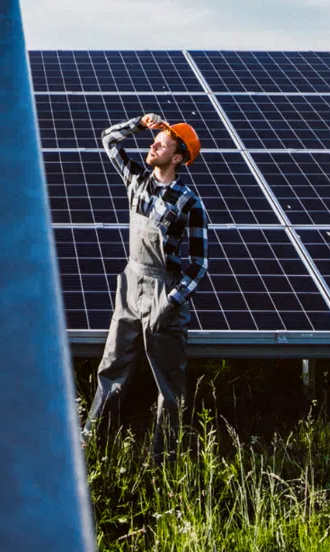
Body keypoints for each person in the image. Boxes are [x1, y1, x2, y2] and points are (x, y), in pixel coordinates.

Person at [82, 112, 207, 451]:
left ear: (177, 158)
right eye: (154, 141)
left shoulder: (190, 204)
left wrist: (171, 302)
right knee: (112, 367)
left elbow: (199, 264)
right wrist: (138, 123)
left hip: (164, 290)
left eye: (161, 144)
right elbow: (108, 138)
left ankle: (165, 458)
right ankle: (93, 445)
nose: (153, 146)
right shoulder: (136, 179)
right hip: (130, 282)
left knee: (168, 383)